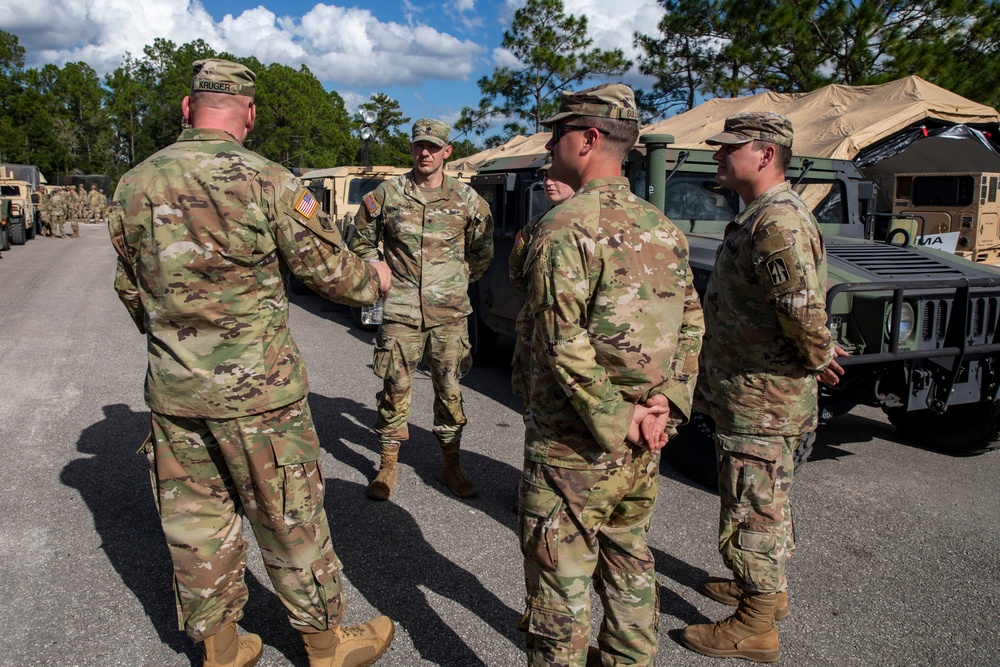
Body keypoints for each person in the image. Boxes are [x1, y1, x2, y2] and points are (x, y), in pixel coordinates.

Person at [109, 58, 396, 667]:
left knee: (196, 526)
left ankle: (221, 648)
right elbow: (330, 275)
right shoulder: (270, 181)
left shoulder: (134, 183)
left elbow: (131, 288)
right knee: (290, 516)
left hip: (176, 393)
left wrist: (176, 342)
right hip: (259, 398)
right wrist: (374, 278)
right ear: (250, 114)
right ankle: (324, 645)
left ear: (188, 109)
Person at [517, 83, 704, 666]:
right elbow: (692, 325)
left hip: (575, 443)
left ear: (589, 139)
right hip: (644, 438)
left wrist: (616, 416)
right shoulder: (665, 229)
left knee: (559, 584)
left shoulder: (565, 227)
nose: (550, 146)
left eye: (558, 135)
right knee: (628, 560)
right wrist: (664, 406)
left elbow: (560, 340)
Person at [680, 112, 847, 663]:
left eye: (732, 147)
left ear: (767, 154)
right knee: (765, 494)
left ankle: (755, 623)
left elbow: (800, 306)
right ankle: (765, 591)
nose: (719, 155)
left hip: (762, 396)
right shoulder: (764, 214)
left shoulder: (775, 220)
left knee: (754, 502)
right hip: (754, 389)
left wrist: (817, 355)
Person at [349, 118, 494, 501]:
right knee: (394, 389)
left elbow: (482, 251)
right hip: (399, 311)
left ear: (448, 151)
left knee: (449, 391)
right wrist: (379, 274)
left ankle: (451, 466)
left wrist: (455, 282)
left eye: (433, 146)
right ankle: (387, 465)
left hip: (448, 314)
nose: (425, 153)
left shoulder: (467, 201)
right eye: (419, 146)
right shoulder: (388, 194)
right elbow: (361, 240)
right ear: (411, 149)